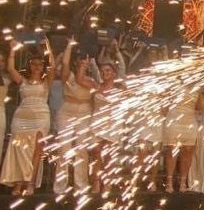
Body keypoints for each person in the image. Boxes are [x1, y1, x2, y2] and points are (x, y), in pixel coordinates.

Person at [0, 38, 55, 194]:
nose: (37, 66)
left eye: (40, 64)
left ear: (43, 66)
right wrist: (12, 50)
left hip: (41, 117)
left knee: (36, 149)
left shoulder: (46, 82)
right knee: (19, 150)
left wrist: (47, 47)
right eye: (34, 64)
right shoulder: (22, 81)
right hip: (21, 118)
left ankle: (30, 182)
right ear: (29, 66)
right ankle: (18, 184)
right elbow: (11, 69)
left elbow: (53, 67)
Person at [53, 39, 97, 193]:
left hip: (84, 111)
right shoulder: (68, 75)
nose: (81, 61)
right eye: (79, 59)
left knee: (81, 149)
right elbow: (65, 63)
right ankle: (60, 186)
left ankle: (81, 185)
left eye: (84, 59)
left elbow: (85, 82)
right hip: (67, 110)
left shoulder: (91, 80)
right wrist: (69, 46)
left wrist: (88, 65)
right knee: (64, 148)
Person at [91, 61, 123, 193]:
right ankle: (96, 181)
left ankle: (108, 182)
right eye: (103, 71)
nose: (105, 73)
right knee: (96, 152)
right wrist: (85, 64)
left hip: (112, 122)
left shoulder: (120, 90)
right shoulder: (96, 86)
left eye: (108, 70)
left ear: (114, 73)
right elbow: (80, 79)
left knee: (109, 154)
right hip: (98, 121)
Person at [163, 89, 202, 193]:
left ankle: (183, 182)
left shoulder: (198, 86)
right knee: (172, 152)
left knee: (188, 151)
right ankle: (169, 181)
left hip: (189, 121)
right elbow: (164, 108)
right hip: (174, 120)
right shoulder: (172, 84)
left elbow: (199, 107)